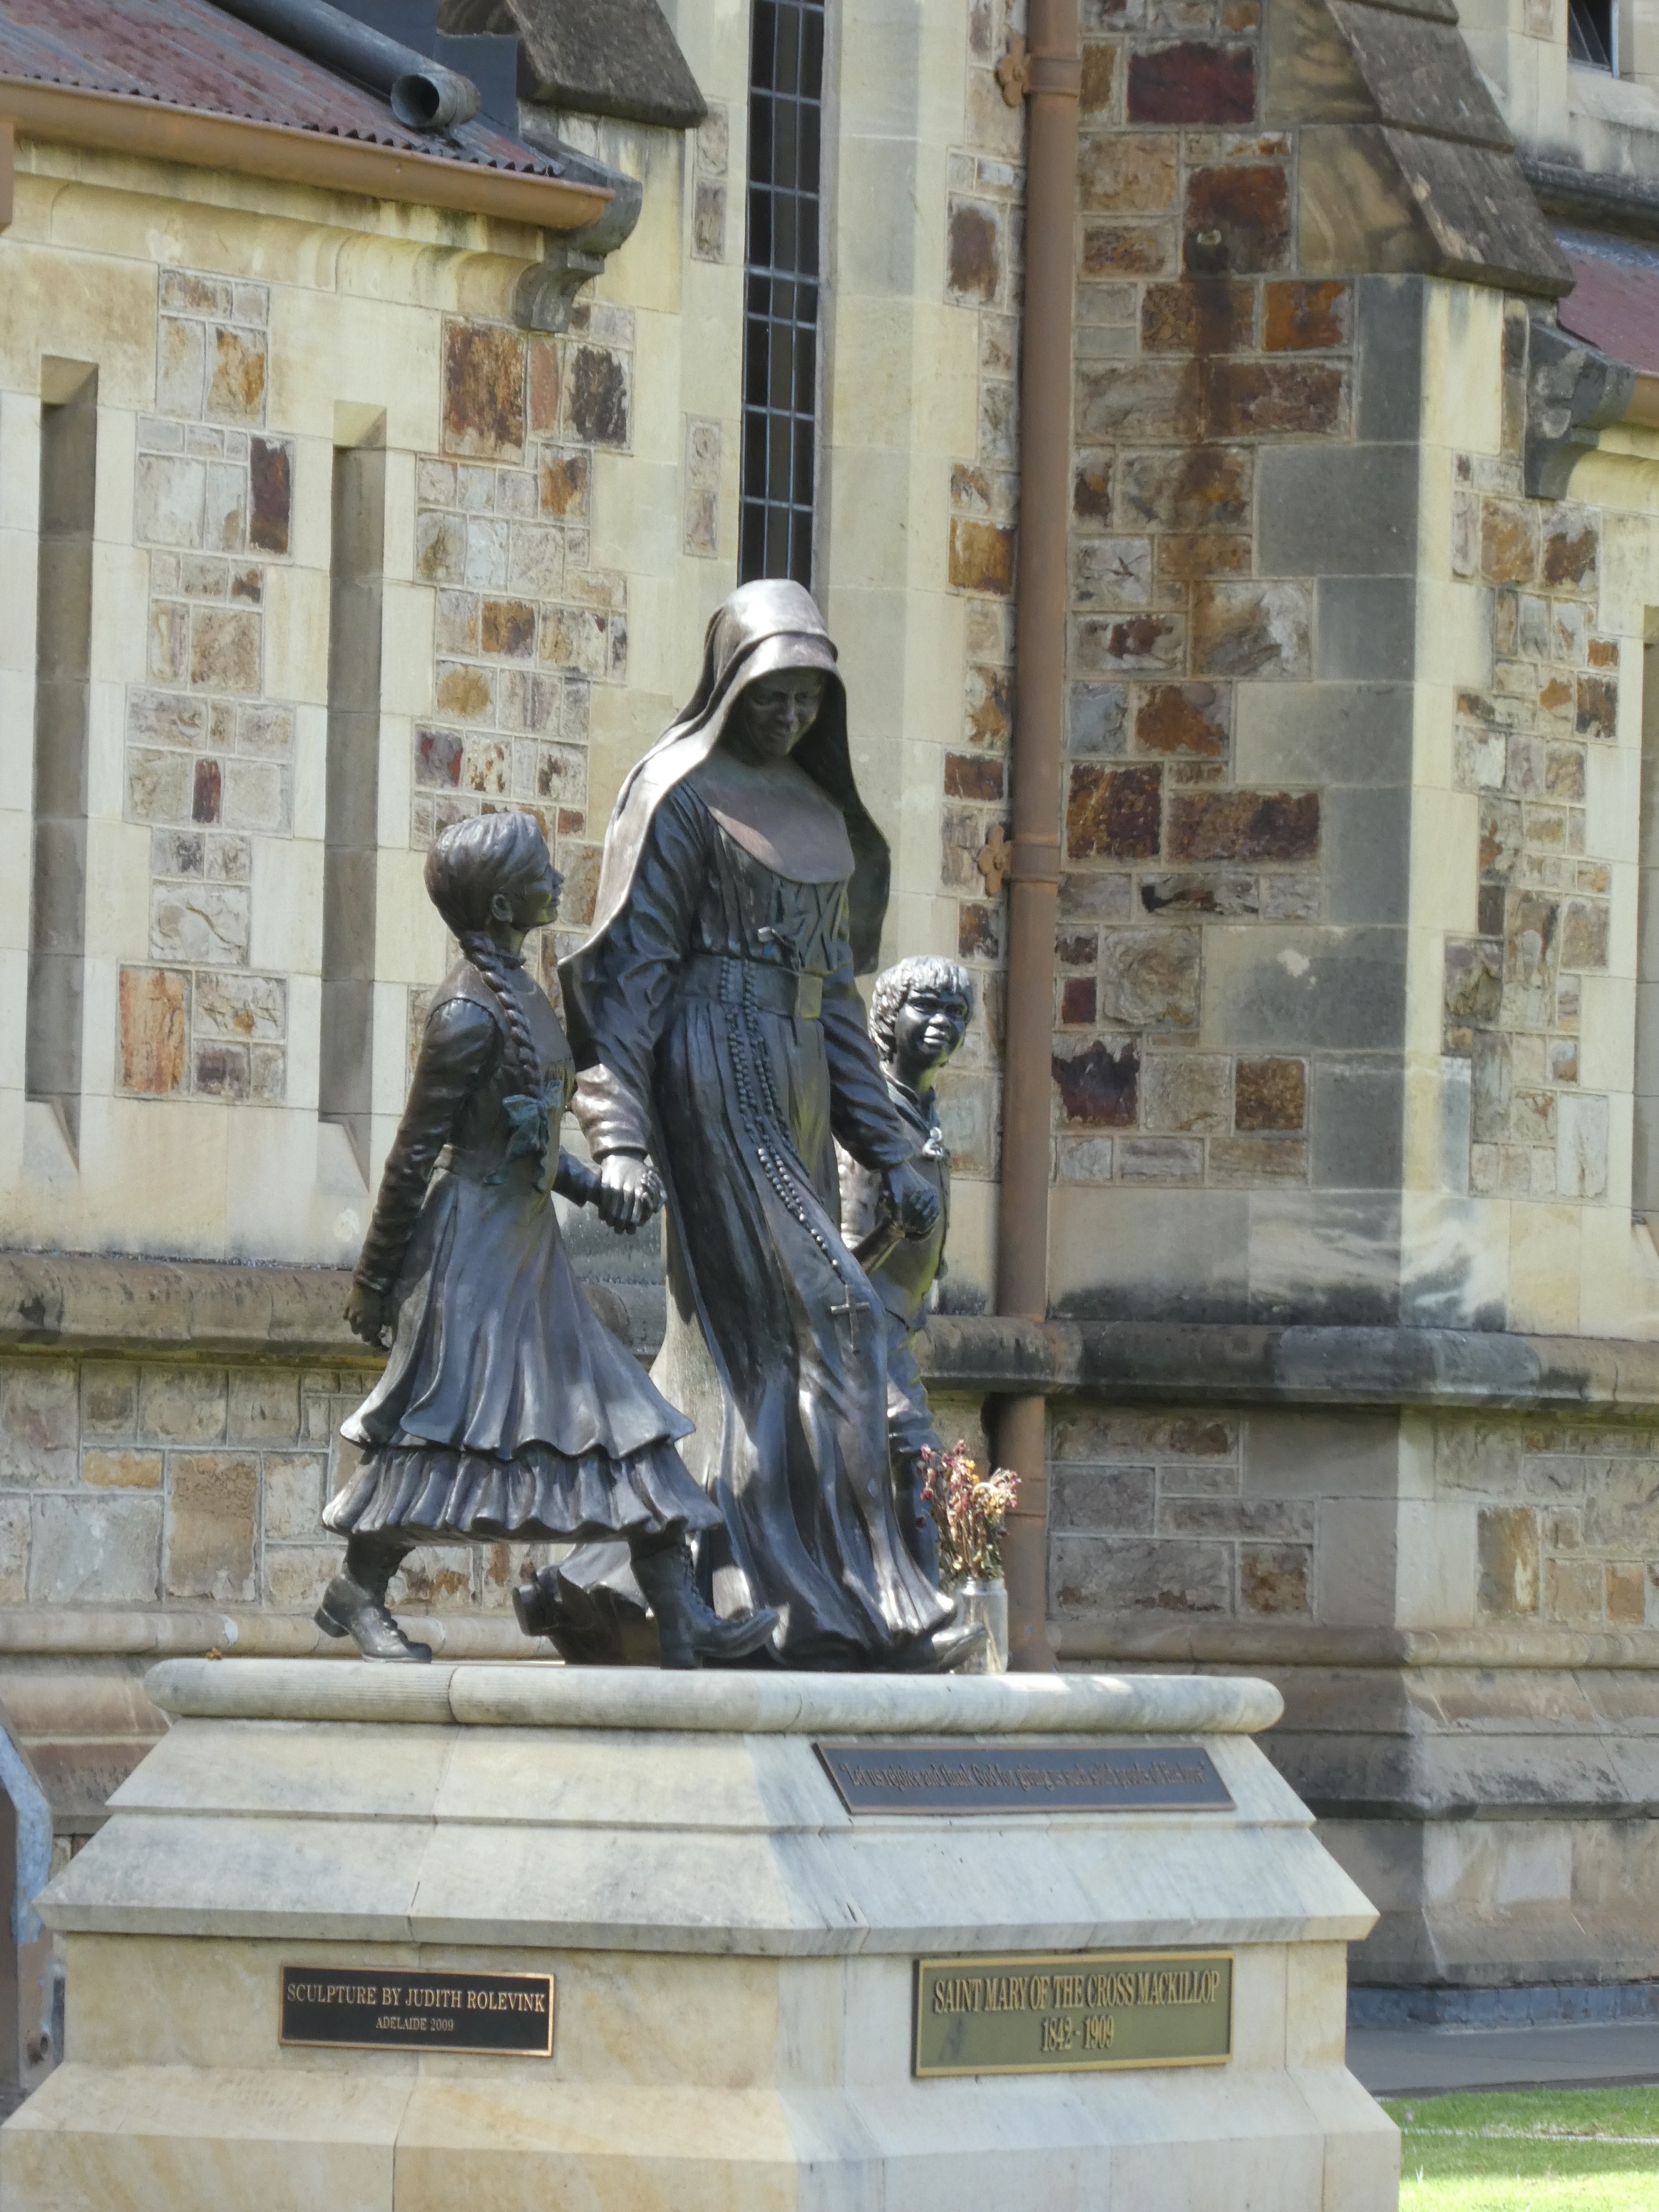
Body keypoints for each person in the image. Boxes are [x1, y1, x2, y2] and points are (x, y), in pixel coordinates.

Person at [550, 579, 980, 1671]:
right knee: (833, 1312)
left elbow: (835, 1002)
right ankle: (864, 1600)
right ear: (729, 682)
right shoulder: (681, 796)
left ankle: (689, 1577)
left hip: (796, 1080)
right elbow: (628, 977)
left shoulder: (821, 814)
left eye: (808, 697)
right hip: (711, 1070)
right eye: (771, 693)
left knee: (740, 1347)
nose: (790, 714)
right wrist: (620, 1135)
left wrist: (886, 1143)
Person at [319, 808, 776, 1668]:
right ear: (502, 906)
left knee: (619, 1418)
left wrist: (597, 1185)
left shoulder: (526, 995)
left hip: (527, 1246)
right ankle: (358, 1591)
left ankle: (681, 1616)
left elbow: (525, 1144)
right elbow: (415, 1156)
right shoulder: (465, 1015)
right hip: (469, 1259)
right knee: (442, 1430)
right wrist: (375, 1283)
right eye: (539, 870)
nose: (558, 879)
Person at [838, 955, 975, 1584]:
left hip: (898, 1328)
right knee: (915, 1453)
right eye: (927, 1007)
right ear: (889, 1017)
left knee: (919, 1465)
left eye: (956, 1012)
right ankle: (923, 1606)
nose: (944, 1021)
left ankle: (913, 1597)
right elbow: (839, 1259)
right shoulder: (871, 1124)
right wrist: (895, 1231)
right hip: (858, 1327)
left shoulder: (923, 1115)